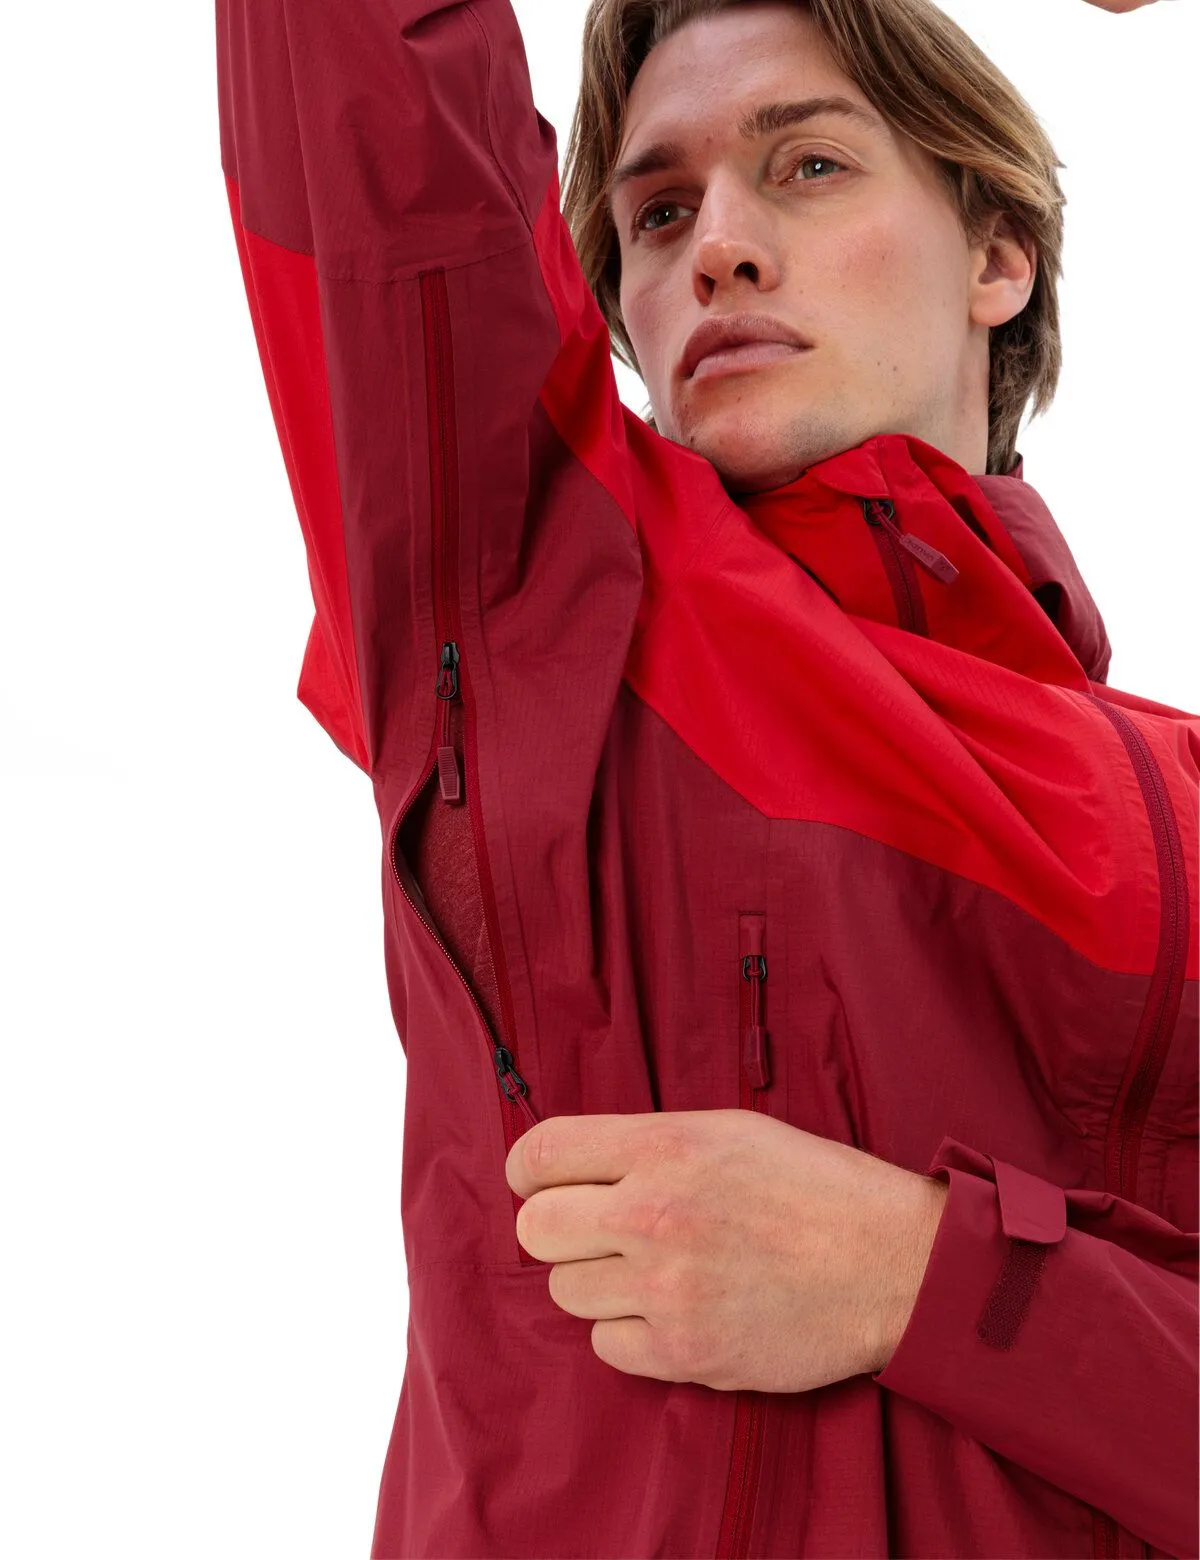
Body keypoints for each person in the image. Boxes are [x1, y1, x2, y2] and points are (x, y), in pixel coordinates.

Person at [214, 0, 1197, 1555]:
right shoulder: (537, 599)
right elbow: (370, 101)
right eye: (658, 215)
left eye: (807, 166)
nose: (718, 249)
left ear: (998, 256)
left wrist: (919, 1279)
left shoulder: (1185, 801)